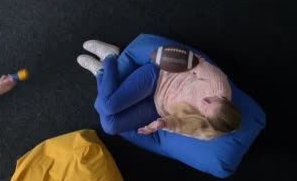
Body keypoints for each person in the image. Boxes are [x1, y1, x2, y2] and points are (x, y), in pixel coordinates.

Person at [77, 40, 241, 140]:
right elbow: (195, 62)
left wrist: (161, 124)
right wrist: (168, 57)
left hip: (157, 108)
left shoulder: (207, 129)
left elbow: (181, 125)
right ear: (224, 99)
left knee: (110, 127)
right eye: (212, 100)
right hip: (159, 78)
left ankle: (102, 73)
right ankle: (109, 57)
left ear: (207, 118)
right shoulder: (218, 84)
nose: (205, 101)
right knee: (105, 106)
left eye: (205, 108)